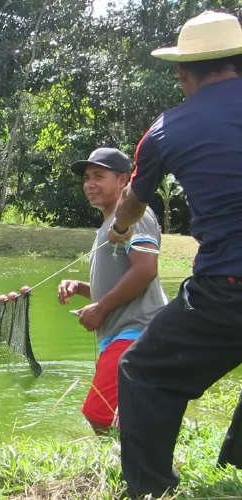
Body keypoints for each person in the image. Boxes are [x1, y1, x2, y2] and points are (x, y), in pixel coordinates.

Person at [106, 11, 242, 498]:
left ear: (184, 72)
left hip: (228, 287)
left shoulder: (166, 128)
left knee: (141, 371)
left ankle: (149, 488)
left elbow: (132, 201)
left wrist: (120, 229)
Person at [58, 147, 167, 435]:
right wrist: (81, 289)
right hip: (121, 333)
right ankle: (132, 460)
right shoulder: (108, 224)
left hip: (136, 331)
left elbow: (145, 270)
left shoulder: (134, 214)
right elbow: (120, 279)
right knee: (118, 412)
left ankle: (124, 466)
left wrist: (101, 308)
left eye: (98, 176)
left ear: (123, 181)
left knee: (98, 412)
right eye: (86, 178)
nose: (89, 184)